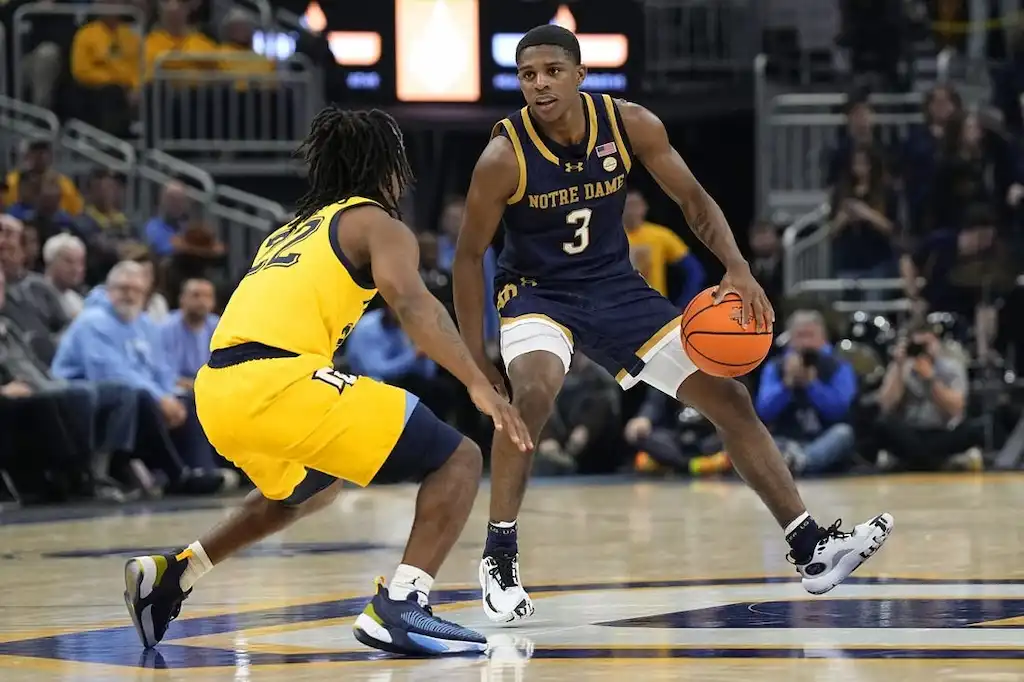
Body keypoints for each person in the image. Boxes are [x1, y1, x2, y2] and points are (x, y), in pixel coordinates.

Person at [453, 24, 893, 624]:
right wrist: (476, 359)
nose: (540, 84)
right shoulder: (504, 156)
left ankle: (810, 546)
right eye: (528, 75)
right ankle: (499, 553)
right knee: (532, 393)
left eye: (553, 71)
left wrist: (736, 267)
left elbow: (693, 199)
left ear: (580, 76)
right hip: (537, 293)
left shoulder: (630, 123)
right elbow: (465, 256)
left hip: (614, 288)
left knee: (730, 399)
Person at [121, 106, 532, 657]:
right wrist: (476, 380)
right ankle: (404, 605)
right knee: (457, 458)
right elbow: (412, 303)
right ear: (388, 169)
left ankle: (176, 572)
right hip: (279, 380)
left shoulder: (288, 233)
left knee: (310, 487)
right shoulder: (377, 224)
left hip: (217, 392)